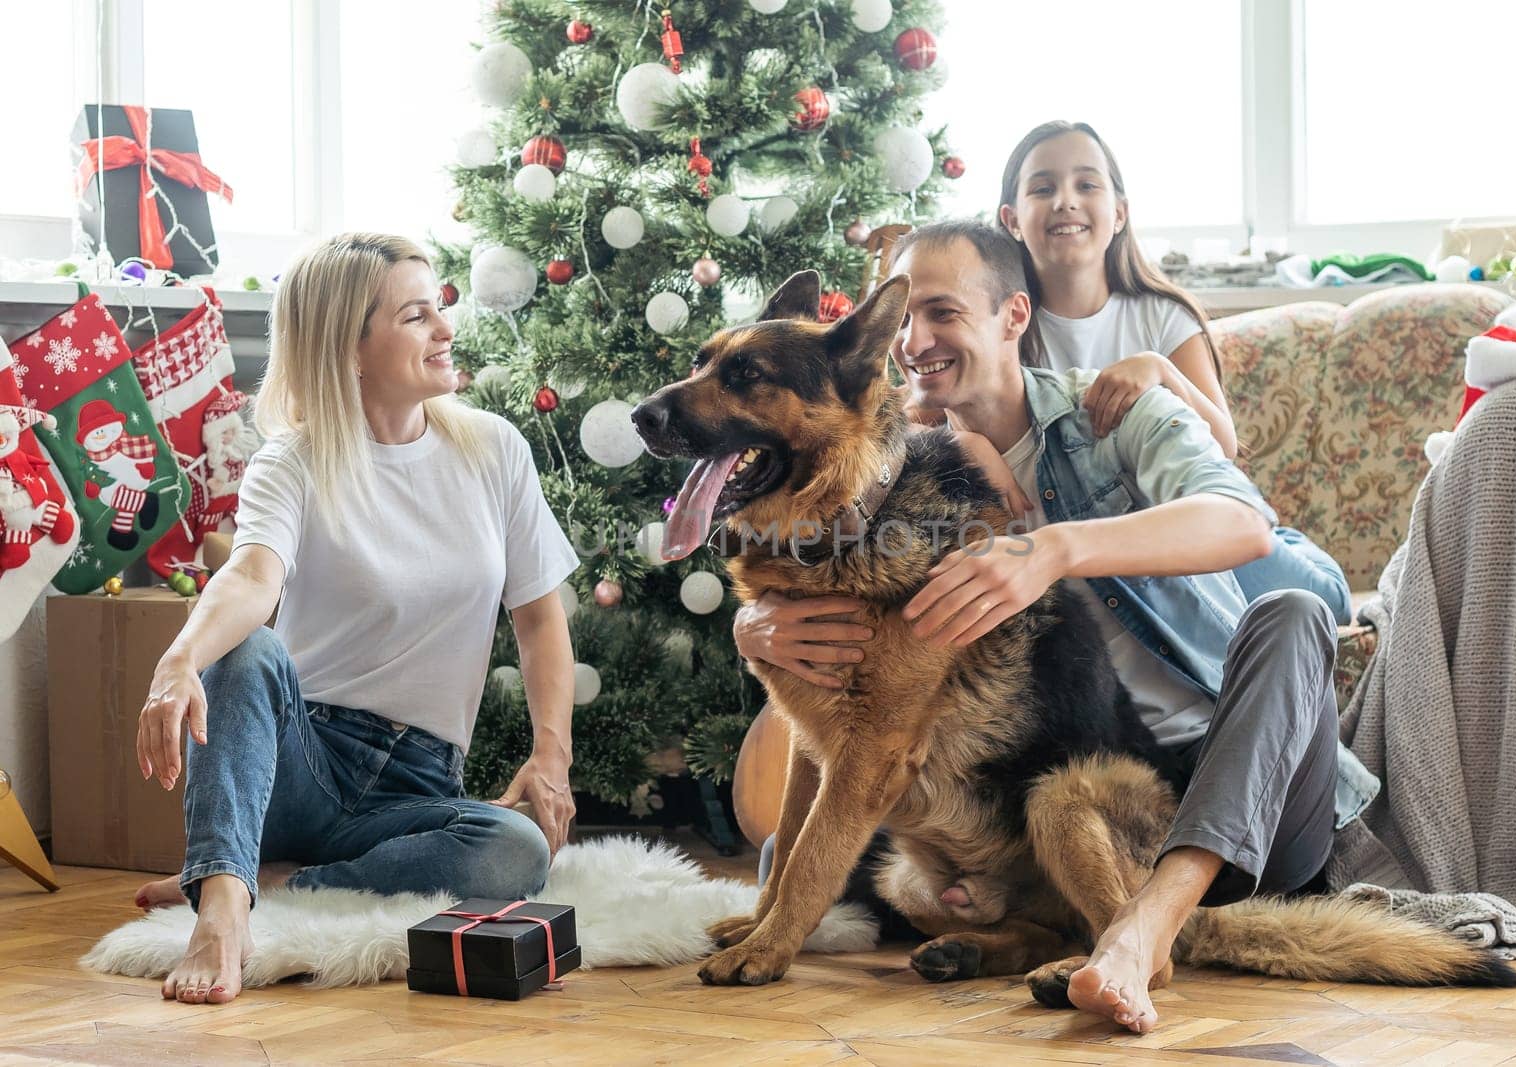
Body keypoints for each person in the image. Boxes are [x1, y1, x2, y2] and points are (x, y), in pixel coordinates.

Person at [736, 219, 1378, 1033]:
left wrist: (1052, 547)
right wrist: (754, 626)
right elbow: (831, 616)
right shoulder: (900, 463)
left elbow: (1244, 522)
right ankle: (1028, 933)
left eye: (941, 313)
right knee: (798, 859)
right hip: (1038, 795)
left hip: (1227, 783)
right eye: (899, 321)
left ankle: (1142, 930)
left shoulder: (1117, 410)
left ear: (1013, 315)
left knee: (1291, 614)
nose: (911, 341)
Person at [132, 233, 580, 1006]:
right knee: (245, 653)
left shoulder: (494, 451)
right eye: (415, 315)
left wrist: (551, 756)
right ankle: (222, 906)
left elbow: (540, 621)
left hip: (415, 784)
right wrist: (177, 662)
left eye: (439, 305)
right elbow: (250, 575)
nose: (444, 327)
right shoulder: (294, 460)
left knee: (515, 849)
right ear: (350, 347)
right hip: (298, 762)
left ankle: (259, 877)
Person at [979, 120, 1350, 623]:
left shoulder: (1161, 316)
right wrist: (972, 445)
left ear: (1119, 214)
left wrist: (1161, 372)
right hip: (1091, 539)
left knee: (1324, 601)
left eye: (1086, 184)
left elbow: (1223, 446)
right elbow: (920, 419)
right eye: (1042, 188)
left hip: (1182, 525)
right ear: (1011, 219)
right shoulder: (998, 328)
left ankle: (1295, 545)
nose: (1065, 200)